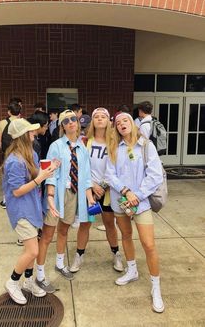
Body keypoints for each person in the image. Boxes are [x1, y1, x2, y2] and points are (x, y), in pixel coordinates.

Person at [105, 112, 165, 313]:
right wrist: (126, 191)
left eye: (125, 121)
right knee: (126, 236)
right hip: (121, 201)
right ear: (116, 128)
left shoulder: (146, 146)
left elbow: (155, 175)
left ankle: (156, 287)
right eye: (119, 122)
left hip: (141, 203)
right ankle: (132, 270)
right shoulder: (113, 147)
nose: (122, 124)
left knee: (149, 244)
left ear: (132, 124)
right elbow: (109, 175)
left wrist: (137, 195)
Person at [36, 109, 95, 287]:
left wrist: (90, 197)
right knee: (47, 235)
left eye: (73, 119)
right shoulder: (56, 146)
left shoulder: (82, 147)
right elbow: (50, 173)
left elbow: (85, 175)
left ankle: (60, 264)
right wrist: (51, 196)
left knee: (64, 230)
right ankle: (39, 275)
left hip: (73, 193)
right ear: (62, 125)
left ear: (78, 123)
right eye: (66, 120)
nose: (70, 122)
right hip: (57, 194)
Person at [2, 118, 58, 305]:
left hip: (32, 206)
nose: (35, 133)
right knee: (33, 251)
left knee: (31, 249)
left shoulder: (31, 154)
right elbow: (17, 191)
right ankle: (12, 282)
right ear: (23, 135)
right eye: (31, 131)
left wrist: (48, 170)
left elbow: (35, 174)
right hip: (21, 209)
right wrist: (39, 178)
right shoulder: (14, 161)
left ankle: (28, 281)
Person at [69, 107, 124, 273]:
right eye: (96, 117)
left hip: (108, 190)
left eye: (103, 117)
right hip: (89, 189)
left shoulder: (115, 142)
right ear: (92, 121)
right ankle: (79, 255)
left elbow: (118, 168)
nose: (100, 119)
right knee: (85, 224)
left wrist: (104, 185)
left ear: (109, 121)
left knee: (109, 223)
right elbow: (80, 167)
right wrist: (92, 184)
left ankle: (116, 254)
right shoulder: (85, 141)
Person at [0, 99, 22, 209]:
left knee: (6, 175)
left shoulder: (3, 123)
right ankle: (19, 196)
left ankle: (5, 200)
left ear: (9, 112)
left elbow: (0, 141)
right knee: (20, 175)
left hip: (7, 153)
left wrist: (4, 151)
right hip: (20, 153)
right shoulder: (22, 122)